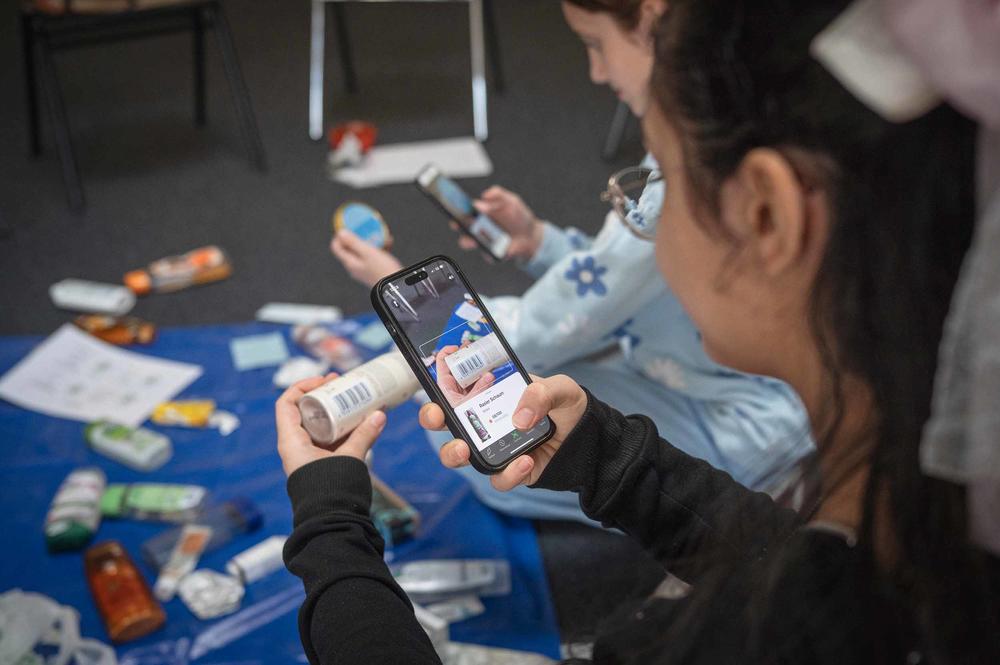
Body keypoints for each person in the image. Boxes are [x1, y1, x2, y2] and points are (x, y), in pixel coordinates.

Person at [278, 0, 1000, 662]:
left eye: (651, 189)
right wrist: (608, 457)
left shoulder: (728, 642)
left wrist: (330, 523)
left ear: (767, 215)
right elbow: (773, 557)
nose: (635, 219)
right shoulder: (904, 550)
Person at [331, 0, 812, 524]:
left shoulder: (683, 171)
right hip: (722, 383)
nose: (596, 72)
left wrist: (417, 304)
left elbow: (571, 309)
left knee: (478, 435)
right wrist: (541, 244)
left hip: (747, 423)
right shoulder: (722, 130)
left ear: (653, 20)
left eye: (596, 44)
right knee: (512, 402)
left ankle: (738, 498)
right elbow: (616, 276)